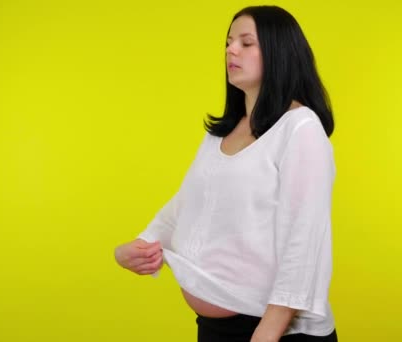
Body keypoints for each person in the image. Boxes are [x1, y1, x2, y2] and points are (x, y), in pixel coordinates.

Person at [114, 5, 338, 342]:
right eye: (229, 42)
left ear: (280, 53)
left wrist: (269, 331)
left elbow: (304, 237)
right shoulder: (221, 132)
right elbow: (188, 204)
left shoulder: (300, 128)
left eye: (247, 43)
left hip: (272, 331)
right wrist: (143, 244)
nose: (231, 50)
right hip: (216, 330)